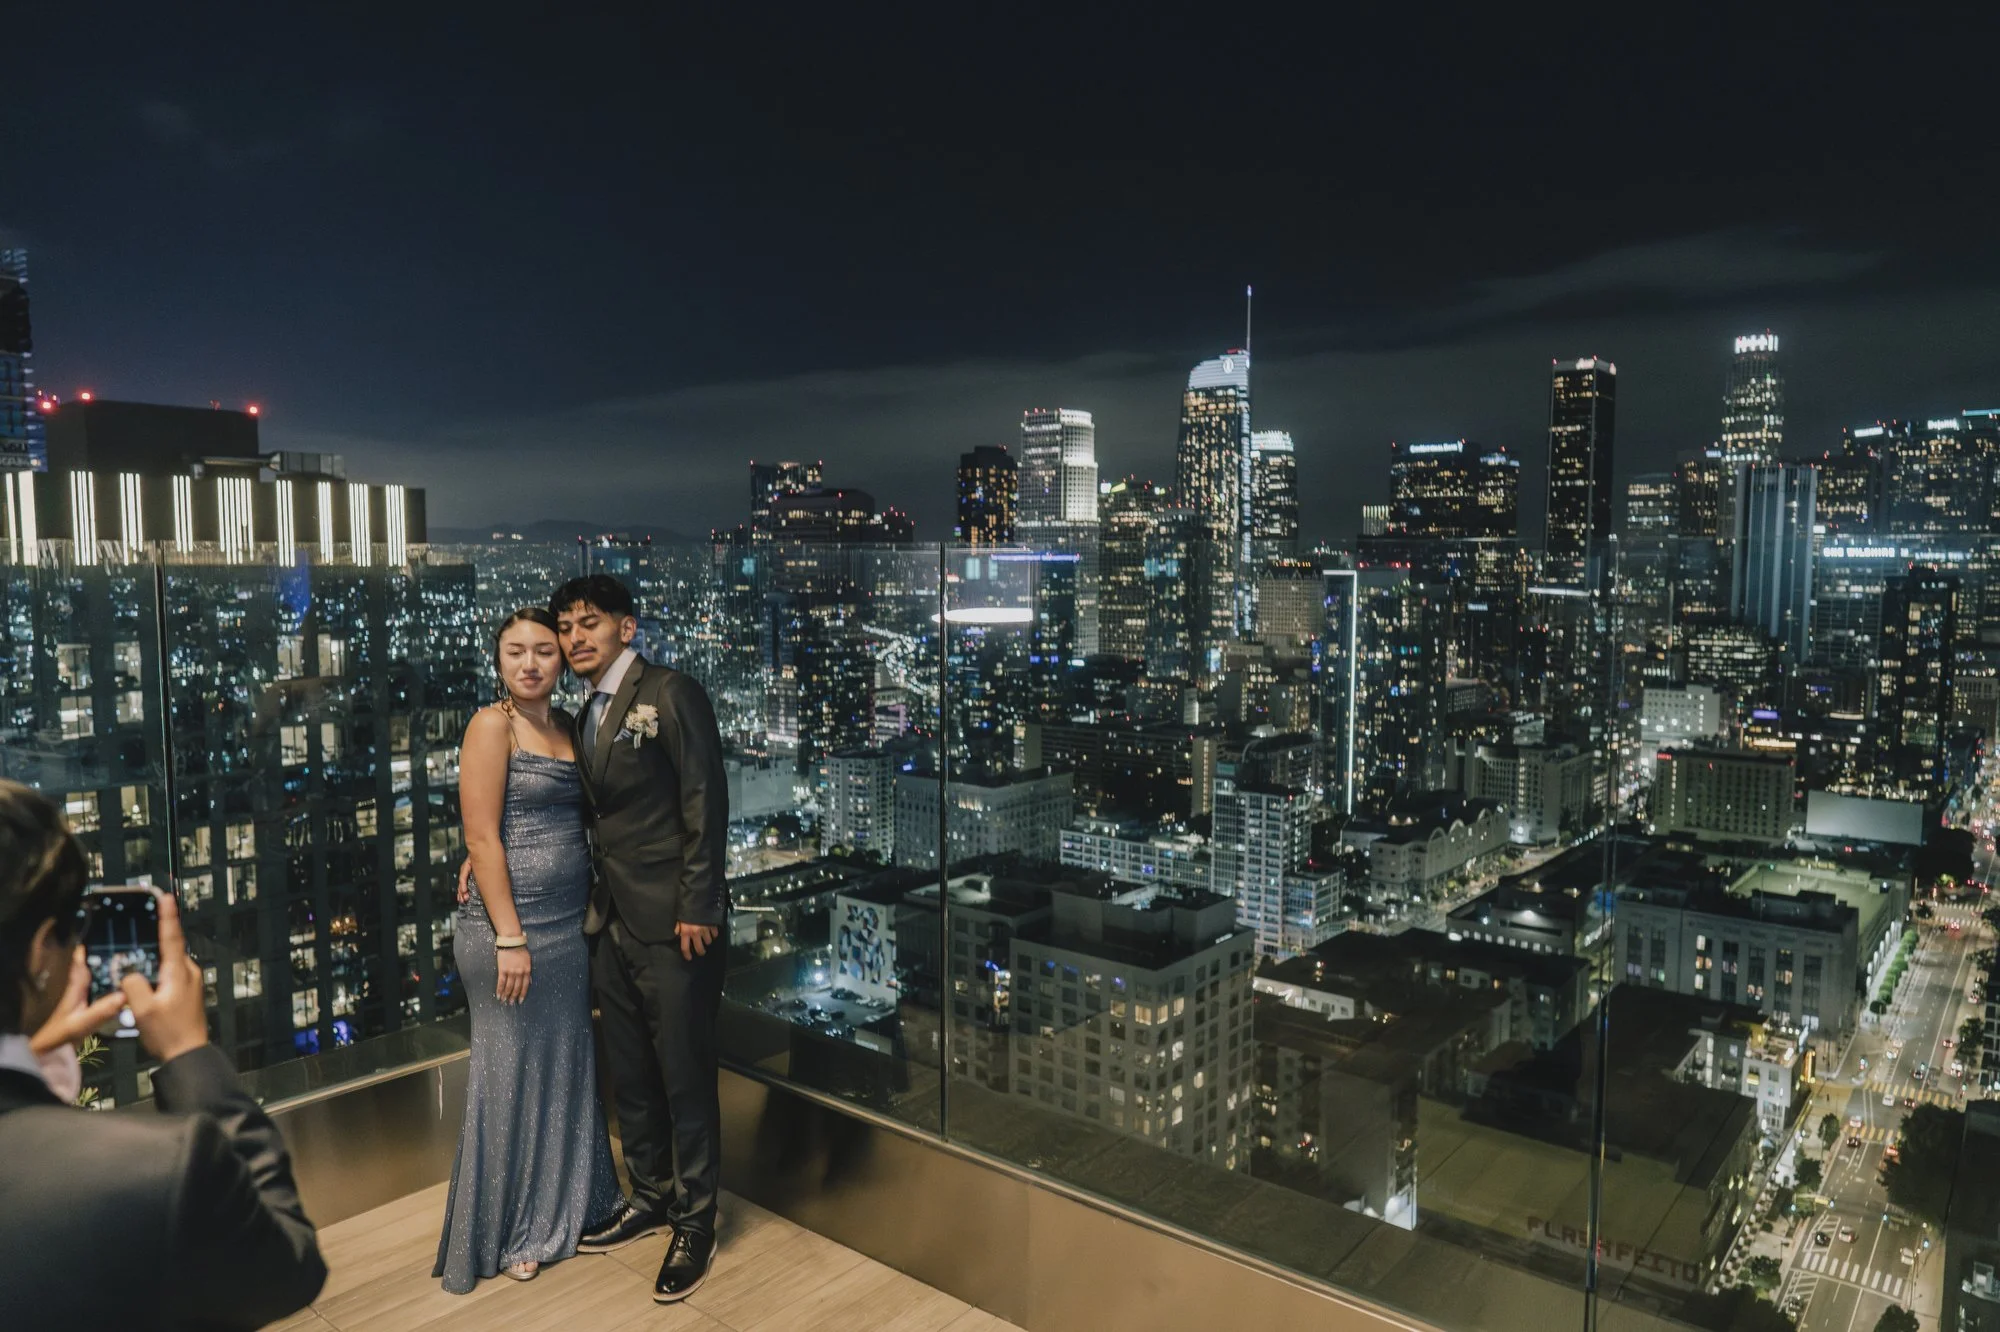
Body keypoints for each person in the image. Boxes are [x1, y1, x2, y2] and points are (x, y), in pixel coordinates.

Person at [0, 779, 327, 1329]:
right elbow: (287, 1266)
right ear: (40, 950)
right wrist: (188, 1053)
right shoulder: (151, 1173)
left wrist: (30, 1048)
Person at [433, 607, 621, 1291]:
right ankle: (512, 1226)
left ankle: (570, 1206)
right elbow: (482, 835)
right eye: (516, 652)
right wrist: (509, 935)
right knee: (508, 1071)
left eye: (545, 650)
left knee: (565, 1062)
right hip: (508, 933)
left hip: (569, 926)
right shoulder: (492, 726)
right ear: (499, 662)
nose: (532, 663)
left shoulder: (570, 726)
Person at [558, 575, 731, 1303]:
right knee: (629, 1068)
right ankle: (651, 1194)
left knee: (684, 1071)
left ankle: (696, 1220)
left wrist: (698, 903)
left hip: (675, 921)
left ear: (627, 628)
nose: (575, 639)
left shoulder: (670, 692)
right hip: (610, 920)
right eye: (566, 627)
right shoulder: (582, 715)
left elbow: (705, 797)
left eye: (589, 623)